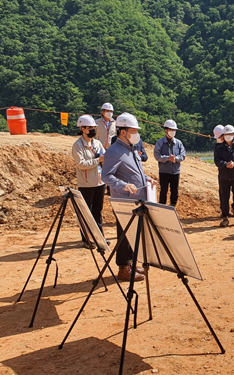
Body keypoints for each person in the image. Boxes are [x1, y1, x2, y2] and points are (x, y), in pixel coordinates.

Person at [102, 112, 158, 282]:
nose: (136, 134)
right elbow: (106, 176)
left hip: (137, 200)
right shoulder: (114, 151)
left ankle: (131, 264)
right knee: (124, 235)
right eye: (133, 131)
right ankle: (123, 268)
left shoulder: (131, 149)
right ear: (123, 131)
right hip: (124, 201)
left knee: (134, 234)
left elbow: (135, 172)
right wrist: (123, 185)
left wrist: (147, 178)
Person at [72, 115, 106, 248]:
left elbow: (105, 156)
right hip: (86, 184)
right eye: (90, 128)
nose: (93, 130)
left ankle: (100, 237)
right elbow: (81, 164)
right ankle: (87, 239)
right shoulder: (77, 146)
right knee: (87, 212)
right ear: (83, 128)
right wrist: (98, 160)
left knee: (98, 211)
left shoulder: (97, 143)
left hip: (99, 182)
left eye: (94, 127)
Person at [214, 124, 234, 227]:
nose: (228, 136)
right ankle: (225, 218)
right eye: (226, 134)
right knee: (224, 197)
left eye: (230, 134)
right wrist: (225, 164)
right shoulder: (219, 148)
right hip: (224, 176)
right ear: (223, 136)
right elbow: (217, 160)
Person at [154, 120, 186, 207]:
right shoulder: (160, 142)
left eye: (174, 130)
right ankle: (162, 208)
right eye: (171, 129)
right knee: (163, 191)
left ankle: (173, 207)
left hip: (175, 172)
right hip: (164, 172)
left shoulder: (178, 143)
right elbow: (157, 156)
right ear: (166, 130)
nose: (173, 132)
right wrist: (168, 158)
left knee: (174, 191)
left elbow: (183, 155)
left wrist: (175, 158)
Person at [213, 124, 234, 217]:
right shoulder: (218, 146)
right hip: (223, 172)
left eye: (219, 137)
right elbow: (216, 159)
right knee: (223, 192)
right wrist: (224, 164)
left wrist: (233, 164)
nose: (218, 139)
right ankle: (224, 210)